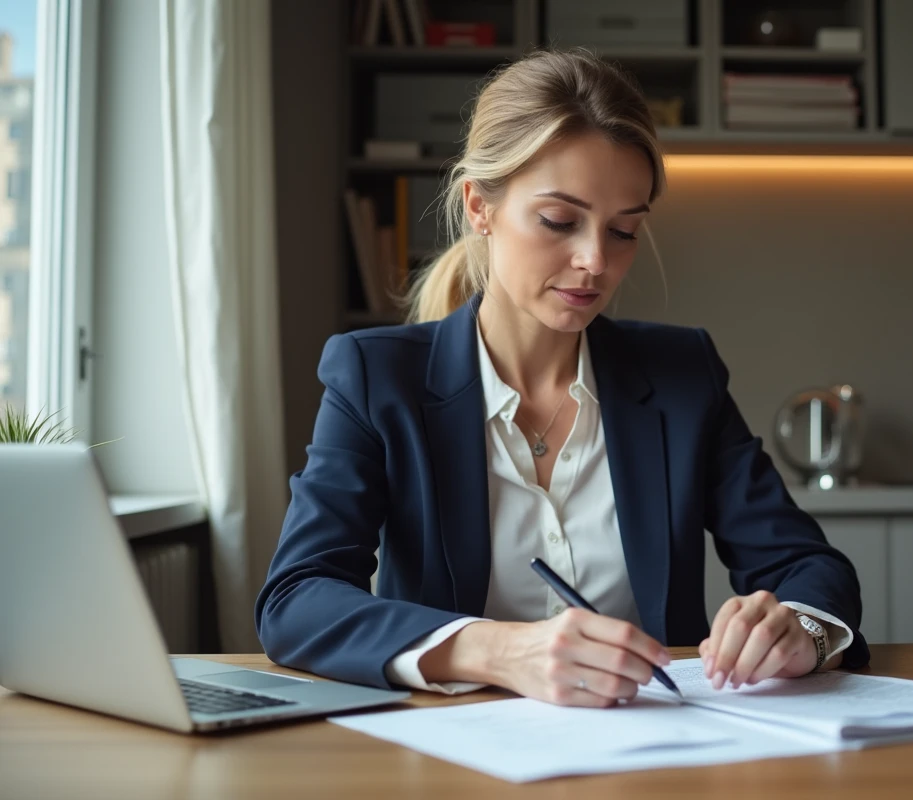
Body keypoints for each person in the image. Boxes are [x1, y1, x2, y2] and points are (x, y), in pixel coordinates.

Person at [255, 48, 869, 708]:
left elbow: (807, 566)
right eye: (559, 221)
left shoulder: (682, 376)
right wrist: (500, 651)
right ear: (479, 206)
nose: (595, 260)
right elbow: (297, 599)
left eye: (624, 230)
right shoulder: (378, 378)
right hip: (451, 746)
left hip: (661, 741)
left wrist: (800, 629)